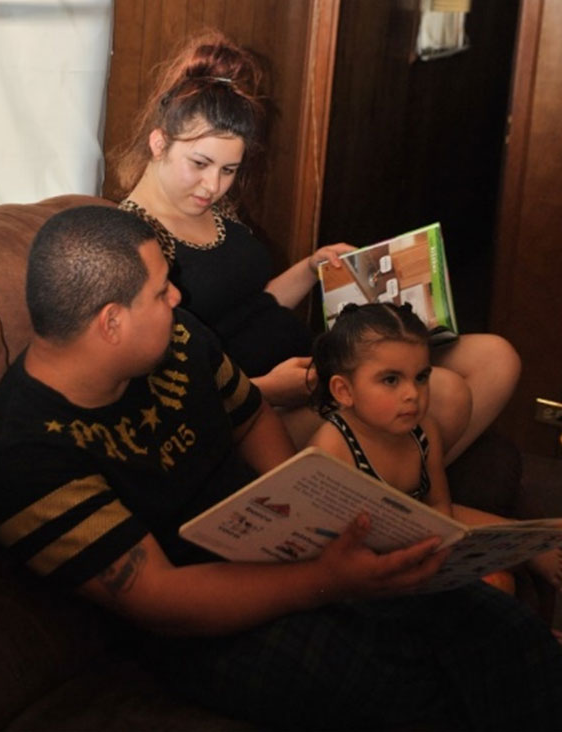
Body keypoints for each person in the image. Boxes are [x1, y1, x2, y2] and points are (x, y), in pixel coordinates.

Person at [0, 205, 562, 731]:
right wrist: (328, 578)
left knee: (496, 626)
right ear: (110, 322)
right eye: (159, 290)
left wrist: (311, 497)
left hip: (281, 539)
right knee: (411, 685)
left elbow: (250, 416)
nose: (176, 297)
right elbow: (162, 599)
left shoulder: (176, 339)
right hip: (204, 624)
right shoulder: (25, 459)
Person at [112, 29, 521, 463]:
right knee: (446, 393)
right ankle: (398, 492)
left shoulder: (212, 209)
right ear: (159, 143)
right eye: (200, 164)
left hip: (311, 367)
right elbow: (159, 384)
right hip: (259, 408)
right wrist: (265, 387)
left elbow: (251, 302)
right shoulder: (134, 241)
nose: (213, 185)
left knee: (496, 359)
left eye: (229, 170)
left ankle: (404, 485)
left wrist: (310, 268)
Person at [307, 302, 562, 591]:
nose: (412, 394)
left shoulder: (424, 432)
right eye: (391, 380)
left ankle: (533, 540)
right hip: (360, 572)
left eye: (421, 377)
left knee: (501, 585)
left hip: (416, 550)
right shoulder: (333, 446)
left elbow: (440, 506)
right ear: (344, 390)